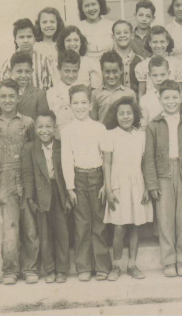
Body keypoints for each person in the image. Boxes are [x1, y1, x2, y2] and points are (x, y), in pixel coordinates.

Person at [0, 79, 37, 285]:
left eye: (11, 96)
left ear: (19, 98)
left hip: (26, 177)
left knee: (30, 226)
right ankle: (10, 270)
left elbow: (34, 152)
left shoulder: (28, 123)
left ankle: (30, 268)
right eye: (3, 97)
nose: (7, 100)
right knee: (10, 228)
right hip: (6, 180)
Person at [61, 84, 112, 281]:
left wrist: (105, 184)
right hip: (78, 179)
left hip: (97, 176)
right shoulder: (67, 131)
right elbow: (66, 159)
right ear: (70, 105)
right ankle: (83, 266)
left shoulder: (99, 128)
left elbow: (107, 158)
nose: (80, 106)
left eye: (84, 102)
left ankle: (102, 265)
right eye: (76, 103)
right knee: (81, 223)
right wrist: (70, 188)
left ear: (91, 105)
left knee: (99, 223)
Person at [144, 80, 182, 277]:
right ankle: (169, 261)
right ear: (159, 99)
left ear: (181, 98)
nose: (171, 101)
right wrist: (152, 183)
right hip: (163, 173)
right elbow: (149, 156)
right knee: (165, 219)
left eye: (174, 97)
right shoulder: (153, 125)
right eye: (166, 98)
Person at [103, 97, 153, 281]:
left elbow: (145, 162)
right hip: (118, 185)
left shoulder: (141, 135)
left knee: (134, 225)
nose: (125, 116)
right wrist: (108, 189)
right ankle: (116, 265)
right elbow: (106, 164)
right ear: (115, 116)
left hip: (137, 183)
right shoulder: (110, 135)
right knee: (118, 226)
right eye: (121, 113)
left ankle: (132, 265)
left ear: (135, 115)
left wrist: (147, 187)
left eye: (129, 113)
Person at [21, 110, 72, 284]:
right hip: (40, 194)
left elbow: (66, 171)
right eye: (40, 127)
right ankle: (49, 269)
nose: (44, 130)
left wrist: (67, 195)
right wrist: (30, 198)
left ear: (55, 128)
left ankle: (62, 270)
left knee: (62, 231)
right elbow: (27, 175)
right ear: (35, 128)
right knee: (44, 233)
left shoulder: (61, 146)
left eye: (48, 126)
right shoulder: (29, 148)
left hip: (58, 192)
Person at [0, 18, 54, 91]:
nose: (26, 41)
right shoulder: (8, 63)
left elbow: (48, 88)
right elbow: (3, 89)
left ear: (34, 38)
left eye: (29, 37)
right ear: (15, 40)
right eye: (21, 37)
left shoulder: (43, 61)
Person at [90, 50, 137, 128]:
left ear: (121, 70)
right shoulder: (95, 93)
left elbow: (134, 118)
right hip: (103, 135)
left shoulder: (129, 93)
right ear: (102, 71)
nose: (111, 76)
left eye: (115, 72)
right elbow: (93, 120)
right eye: (107, 72)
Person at [134, 26, 182, 98]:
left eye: (162, 42)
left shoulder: (176, 64)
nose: (159, 45)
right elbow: (141, 94)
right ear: (150, 43)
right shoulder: (142, 66)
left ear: (167, 42)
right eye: (155, 42)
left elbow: (180, 92)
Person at [46, 49, 81, 137]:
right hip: (59, 138)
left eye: (74, 71)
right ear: (59, 69)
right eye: (67, 71)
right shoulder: (51, 93)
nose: (71, 75)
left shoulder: (82, 91)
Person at [56, 25, 102, 90]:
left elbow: (95, 89)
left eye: (76, 40)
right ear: (63, 43)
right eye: (68, 40)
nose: (72, 44)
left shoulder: (91, 63)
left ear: (81, 42)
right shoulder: (57, 63)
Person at [8, 51, 49, 121]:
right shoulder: (4, 92)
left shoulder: (39, 94)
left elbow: (43, 122)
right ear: (10, 72)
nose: (23, 76)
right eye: (19, 71)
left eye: (27, 71)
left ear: (32, 71)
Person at [112, 20, 143, 95]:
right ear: (113, 37)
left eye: (126, 32)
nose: (122, 35)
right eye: (118, 33)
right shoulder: (109, 60)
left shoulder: (140, 60)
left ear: (132, 35)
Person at [140, 56, 170, 130]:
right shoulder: (145, 99)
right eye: (155, 75)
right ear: (149, 75)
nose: (159, 79)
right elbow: (143, 124)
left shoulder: (176, 96)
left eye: (163, 75)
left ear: (169, 73)